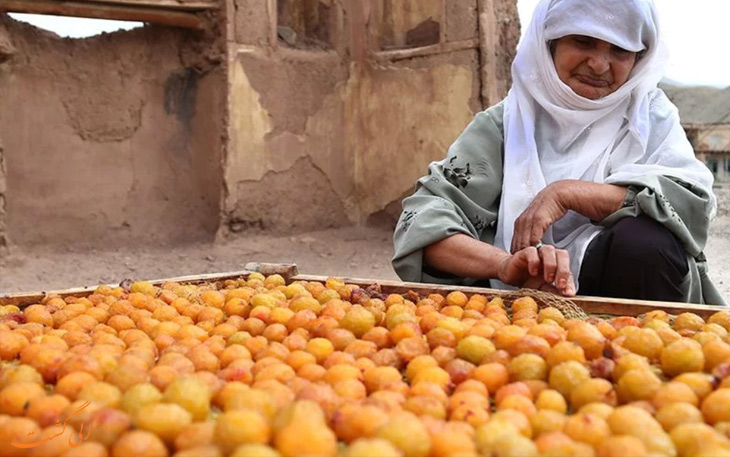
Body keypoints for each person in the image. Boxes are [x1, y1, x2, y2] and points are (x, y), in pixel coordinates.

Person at [392, 0, 725, 305]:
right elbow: (422, 221)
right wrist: (507, 265)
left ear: (639, 58)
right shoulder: (506, 125)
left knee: (644, 240)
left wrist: (567, 194)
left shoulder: (650, 118)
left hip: (631, 310)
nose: (598, 64)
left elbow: (689, 203)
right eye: (583, 42)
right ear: (549, 43)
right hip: (519, 309)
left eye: (621, 50)